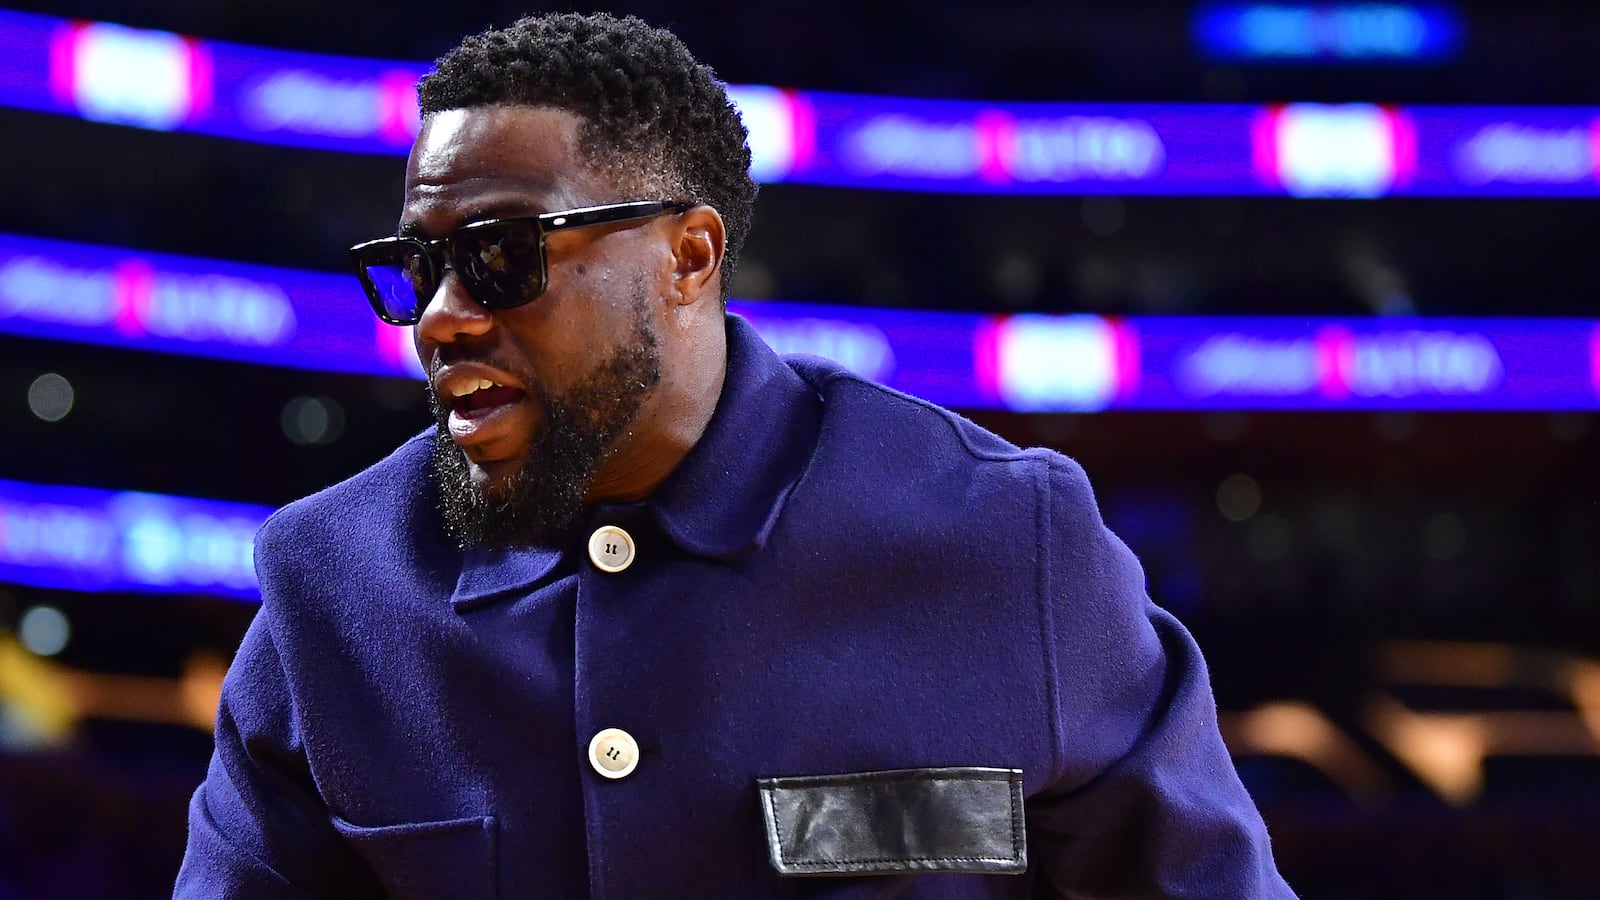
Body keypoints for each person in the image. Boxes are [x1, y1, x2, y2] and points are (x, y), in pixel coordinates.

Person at [176, 12, 1295, 898]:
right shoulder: (328, 590)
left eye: (503, 254)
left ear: (690, 256)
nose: (440, 318)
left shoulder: (1009, 539)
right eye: (422, 267)